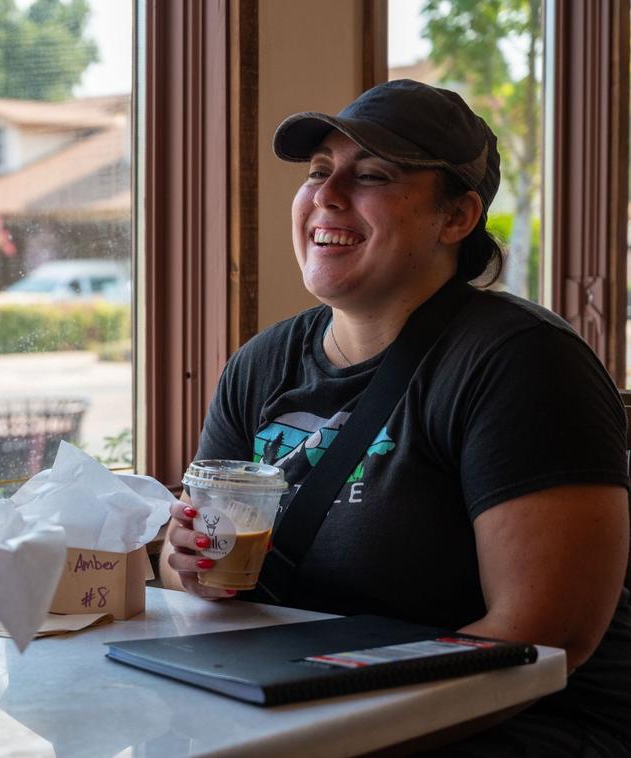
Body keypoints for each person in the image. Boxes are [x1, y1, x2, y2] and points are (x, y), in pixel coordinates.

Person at [160, 79, 631, 755]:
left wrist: (339, 727)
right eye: (319, 171)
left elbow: (543, 635)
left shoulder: (520, 363)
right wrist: (193, 566)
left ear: (457, 217)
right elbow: (188, 573)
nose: (326, 193)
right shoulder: (262, 365)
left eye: (372, 174)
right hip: (302, 699)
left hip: (515, 721)